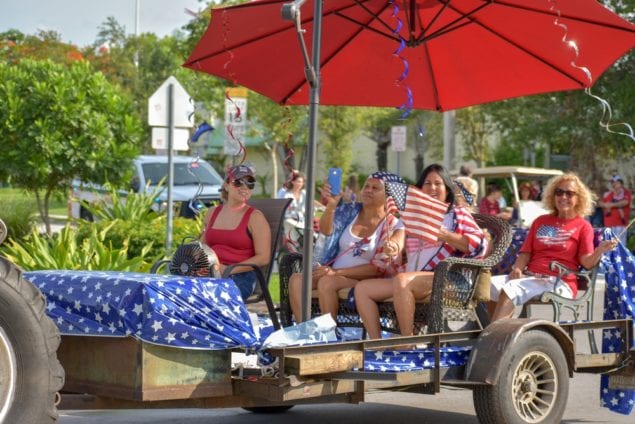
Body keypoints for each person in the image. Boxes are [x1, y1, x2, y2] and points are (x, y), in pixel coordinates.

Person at [354, 164, 487, 339]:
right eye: (427, 183)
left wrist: (444, 234)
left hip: (448, 278)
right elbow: (398, 238)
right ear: (420, 188)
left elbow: (480, 245)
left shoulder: (457, 214)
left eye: (437, 183)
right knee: (363, 289)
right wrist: (393, 247)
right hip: (413, 277)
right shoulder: (412, 215)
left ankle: (407, 340)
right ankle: (377, 343)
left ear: (446, 189)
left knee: (402, 281)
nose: (432, 188)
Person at [488, 173, 618, 322]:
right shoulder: (543, 222)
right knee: (488, 286)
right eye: (559, 192)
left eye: (569, 193)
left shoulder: (583, 226)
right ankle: (501, 331)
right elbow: (526, 252)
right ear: (552, 195)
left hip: (558, 282)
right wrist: (517, 269)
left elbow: (587, 262)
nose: (563, 197)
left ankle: (495, 338)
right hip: (530, 277)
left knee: (511, 289)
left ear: (578, 198)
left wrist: (600, 250)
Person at [288, 172, 406, 323]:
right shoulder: (350, 211)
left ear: (389, 196)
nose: (368, 190)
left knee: (327, 282)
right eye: (367, 186)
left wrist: (335, 272)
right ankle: (305, 331)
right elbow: (325, 231)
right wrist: (331, 206)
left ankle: (329, 335)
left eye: (375, 188)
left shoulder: (391, 225)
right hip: (331, 272)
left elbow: (379, 268)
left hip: (365, 280)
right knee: (297, 280)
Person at [199, 164, 271, 301]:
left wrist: (228, 269)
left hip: (240, 276)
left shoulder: (255, 217)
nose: (244, 187)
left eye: (250, 183)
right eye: (238, 182)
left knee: (204, 295)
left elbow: (263, 257)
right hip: (209, 272)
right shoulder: (212, 213)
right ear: (226, 186)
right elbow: (202, 247)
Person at [598, 175, 631, 245]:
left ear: (620, 183)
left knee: (620, 245)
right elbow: (599, 202)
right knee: (608, 246)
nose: (613, 184)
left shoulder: (626, 193)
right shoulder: (608, 194)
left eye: (615, 182)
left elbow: (625, 202)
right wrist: (605, 205)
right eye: (612, 182)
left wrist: (611, 205)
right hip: (608, 224)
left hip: (620, 224)